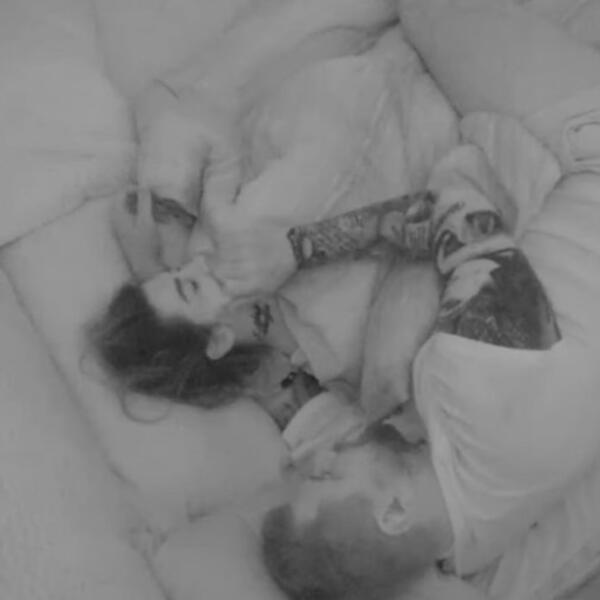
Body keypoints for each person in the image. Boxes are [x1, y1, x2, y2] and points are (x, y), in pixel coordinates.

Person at [203, 0, 600, 597]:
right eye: (326, 478)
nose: (319, 458)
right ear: (393, 512)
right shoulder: (476, 390)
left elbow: (313, 417)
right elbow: (451, 201)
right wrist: (296, 247)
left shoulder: (470, 544)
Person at [90, 0, 457, 426]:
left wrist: (176, 237)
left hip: (375, 68)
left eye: (179, 272)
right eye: (190, 285)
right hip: (431, 102)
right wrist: (295, 248)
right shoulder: (334, 349)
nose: (196, 265)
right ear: (219, 340)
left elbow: (219, 142)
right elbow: (436, 221)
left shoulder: (222, 237)